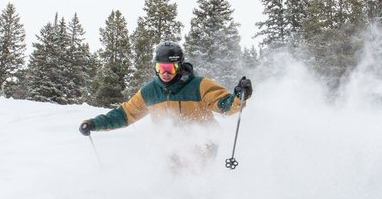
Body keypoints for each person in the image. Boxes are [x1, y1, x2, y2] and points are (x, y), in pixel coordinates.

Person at [79, 41, 252, 145]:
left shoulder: (200, 86)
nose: (166, 73)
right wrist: (95, 124)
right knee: (167, 186)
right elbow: (124, 114)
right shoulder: (150, 92)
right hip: (170, 149)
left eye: (171, 68)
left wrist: (239, 96)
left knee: (194, 187)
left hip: (202, 145)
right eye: (161, 68)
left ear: (180, 66)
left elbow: (225, 105)